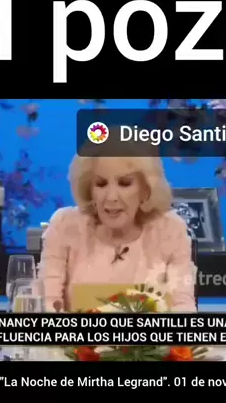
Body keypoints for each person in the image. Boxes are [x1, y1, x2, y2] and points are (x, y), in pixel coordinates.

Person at [38, 130, 197, 313]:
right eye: (101, 184)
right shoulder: (66, 226)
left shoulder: (169, 230)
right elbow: (46, 305)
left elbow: (183, 307)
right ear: (89, 190)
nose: (111, 197)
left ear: (145, 189)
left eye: (124, 183)